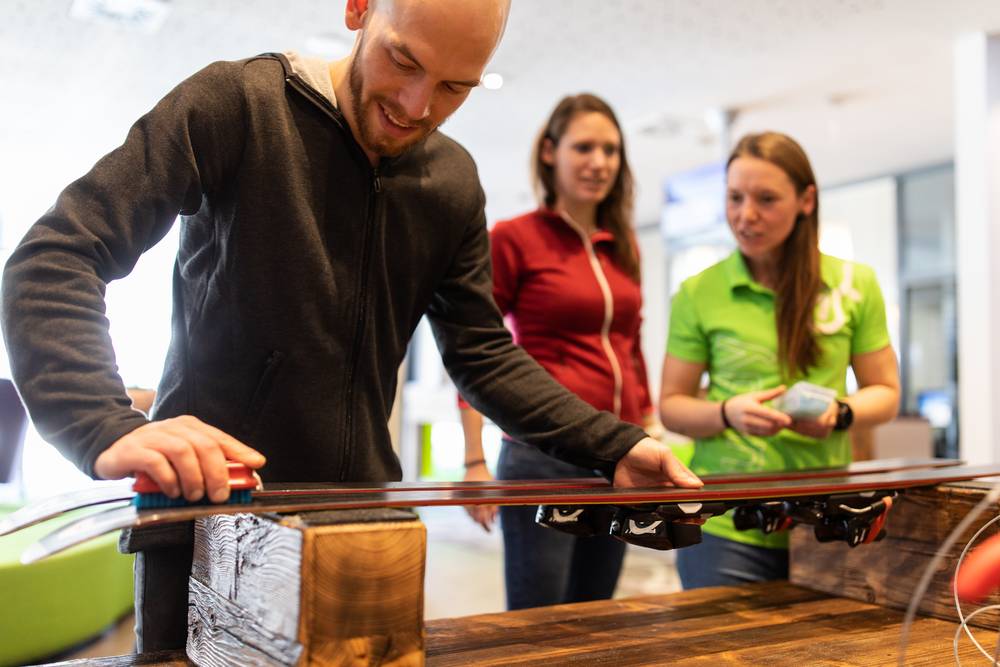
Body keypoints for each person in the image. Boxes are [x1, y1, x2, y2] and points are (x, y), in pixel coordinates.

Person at [1, 0, 701, 651]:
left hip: (361, 530)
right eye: (403, 61)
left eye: (455, 87)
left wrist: (612, 445)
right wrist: (103, 423)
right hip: (209, 522)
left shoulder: (453, 182)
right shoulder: (238, 105)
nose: (417, 106)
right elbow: (58, 256)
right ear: (359, 7)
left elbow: (483, 354)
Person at [659, 131, 900, 589]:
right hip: (725, 521)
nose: (746, 215)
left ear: (806, 200)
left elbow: (886, 393)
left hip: (825, 519)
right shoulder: (697, 292)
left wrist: (840, 413)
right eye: (735, 197)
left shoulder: (855, 284)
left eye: (766, 199)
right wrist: (728, 413)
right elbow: (672, 406)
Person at [460, 93, 660, 609]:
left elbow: (631, 344)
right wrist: (475, 460)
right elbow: (474, 347)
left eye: (611, 150)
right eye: (584, 147)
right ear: (550, 152)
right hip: (542, 455)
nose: (600, 162)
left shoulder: (623, 244)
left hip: (618, 455)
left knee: (596, 612)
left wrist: (648, 424)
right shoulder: (514, 238)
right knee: (539, 618)